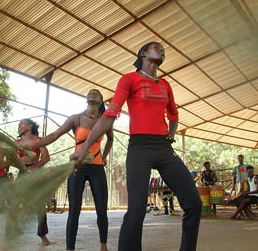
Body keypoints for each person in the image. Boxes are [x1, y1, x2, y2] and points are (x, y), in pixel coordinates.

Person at [70, 42, 202, 251]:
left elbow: (174, 116)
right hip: (139, 147)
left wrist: (172, 132)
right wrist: (84, 149)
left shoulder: (165, 84)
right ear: (143, 53)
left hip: (164, 148)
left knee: (194, 203)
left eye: (163, 49)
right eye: (156, 47)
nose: (162, 50)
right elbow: (109, 116)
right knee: (137, 209)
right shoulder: (129, 79)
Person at [23, 89, 113, 251]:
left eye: (96, 93)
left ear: (101, 101)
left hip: (97, 168)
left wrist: (104, 156)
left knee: (101, 209)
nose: (92, 93)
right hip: (77, 167)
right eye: (90, 92)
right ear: (86, 98)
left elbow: (110, 140)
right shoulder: (76, 119)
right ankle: (70, 248)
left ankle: (103, 246)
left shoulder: (105, 121)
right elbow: (55, 135)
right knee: (74, 211)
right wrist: (35, 144)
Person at [15, 118, 51, 246]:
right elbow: (11, 158)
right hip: (22, 173)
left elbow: (46, 157)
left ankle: (42, 234)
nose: (19, 126)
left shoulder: (38, 140)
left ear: (29, 126)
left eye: (22, 124)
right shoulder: (17, 142)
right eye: (18, 125)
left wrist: (34, 167)